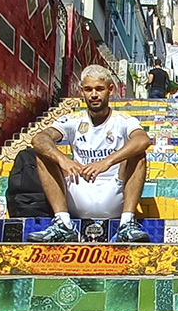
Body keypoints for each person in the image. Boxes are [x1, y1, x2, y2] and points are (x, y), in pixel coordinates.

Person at [28, 64, 151, 243]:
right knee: (43, 153)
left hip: (114, 192)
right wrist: (62, 159)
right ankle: (63, 223)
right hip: (78, 190)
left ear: (110, 90)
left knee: (138, 153)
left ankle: (127, 224)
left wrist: (107, 162)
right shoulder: (72, 120)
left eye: (99, 89)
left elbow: (143, 140)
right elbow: (39, 139)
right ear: (82, 92)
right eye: (88, 89)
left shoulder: (124, 120)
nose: (94, 94)